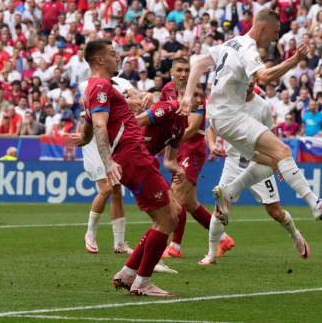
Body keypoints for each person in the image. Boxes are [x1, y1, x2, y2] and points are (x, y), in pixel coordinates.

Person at [179, 9, 322, 242]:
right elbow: (265, 77)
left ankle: (230, 192)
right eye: (275, 32)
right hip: (231, 116)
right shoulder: (248, 48)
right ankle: (315, 203)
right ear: (263, 28)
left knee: (274, 162)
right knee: (283, 151)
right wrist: (295, 59)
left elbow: (198, 63)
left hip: (217, 117)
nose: (276, 38)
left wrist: (187, 95)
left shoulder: (232, 42)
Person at [72, 38, 179, 297]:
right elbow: (98, 126)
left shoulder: (100, 89)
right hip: (133, 157)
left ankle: (129, 273)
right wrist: (107, 162)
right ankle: (143, 282)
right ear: (100, 59)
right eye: (112, 54)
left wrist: (82, 140)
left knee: (171, 213)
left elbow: (87, 131)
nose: (117, 57)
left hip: (136, 156)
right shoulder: (99, 86)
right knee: (166, 219)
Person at [202, 80, 308, 265]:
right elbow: (211, 128)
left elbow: (272, 135)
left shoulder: (263, 106)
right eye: (245, 78)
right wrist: (211, 145)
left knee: (275, 212)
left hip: (259, 164)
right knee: (220, 207)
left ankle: (295, 235)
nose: (248, 82)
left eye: (252, 78)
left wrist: (281, 162)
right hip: (234, 162)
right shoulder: (229, 101)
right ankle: (211, 253)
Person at [156, 58, 233, 260]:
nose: (183, 74)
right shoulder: (167, 90)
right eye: (179, 70)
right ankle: (223, 238)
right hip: (177, 150)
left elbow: (192, 127)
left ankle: (175, 245)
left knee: (176, 197)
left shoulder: (195, 92)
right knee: (189, 203)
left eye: (187, 70)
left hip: (192, 149)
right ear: (171, 72)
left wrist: (167, 144)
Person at [78, 74, 147, 256]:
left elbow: (139, 95)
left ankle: (119, 243)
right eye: (112, 55)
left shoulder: (123, 82)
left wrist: (147, 95)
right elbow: (91, 103)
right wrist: (127, 100)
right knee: (107, 189)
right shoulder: (88, 83)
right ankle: (90, 234)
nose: (116, 59)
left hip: (113, 137)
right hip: (95, 137)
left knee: (116, 190)